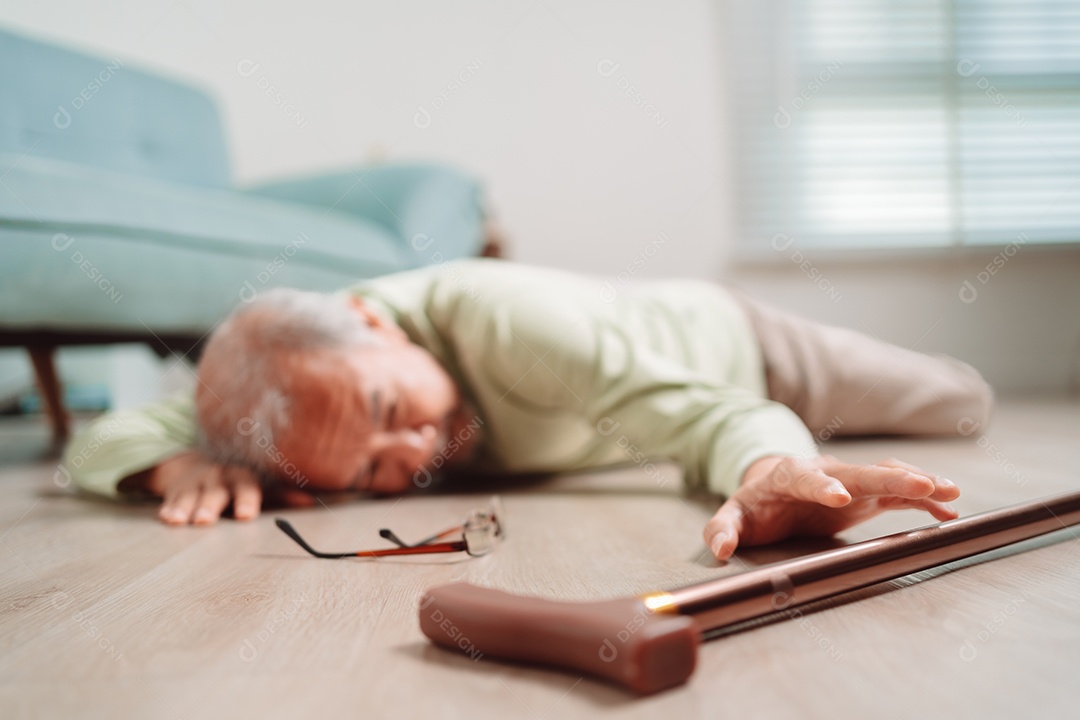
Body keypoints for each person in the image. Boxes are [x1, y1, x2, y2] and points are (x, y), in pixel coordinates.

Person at [63, 259, 992, 561]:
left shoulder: (501, 323)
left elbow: (711, 415)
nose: (415, 446)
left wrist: (766, 472)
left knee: (958, 404)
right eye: (371, 470)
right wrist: (176, 466)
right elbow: (99, 439)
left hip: (737, 350)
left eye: (391, 404)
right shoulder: (281, 402)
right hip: (701, 393)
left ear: (368, 320)